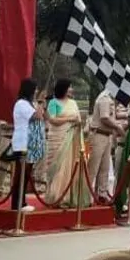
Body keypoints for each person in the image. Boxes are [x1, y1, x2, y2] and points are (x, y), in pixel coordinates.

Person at [45, 79, 85, 207]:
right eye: (69, 87)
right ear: (63, 88)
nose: (71, 89)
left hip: (71, 139)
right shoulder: (53, 102)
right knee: (58, 168)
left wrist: (77, 123)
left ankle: (68, 197)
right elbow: (52, 120)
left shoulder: (73, 103)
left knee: (69, 167)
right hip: (57, 138)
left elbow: (78, 119)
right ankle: (56, 196)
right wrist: (69, 119)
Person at [11, 79, 41, 212]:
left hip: (29, 143)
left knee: (26, 174)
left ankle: (22, 201)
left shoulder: (28, 104)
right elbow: (38, 116)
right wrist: (40, 102)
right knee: (21, 174)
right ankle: (17, 203)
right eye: (35, 89)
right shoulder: (22, 104)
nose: (36, 92)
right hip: (22, 143)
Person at [88, 88, 122, 204]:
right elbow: (104, 118)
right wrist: (117, 127)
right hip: (99, 134)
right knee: (93, 167)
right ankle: (86, 195)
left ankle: (102, 194)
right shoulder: (104, 98)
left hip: (107, 135)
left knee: (105, 167)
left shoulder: (110, 99)